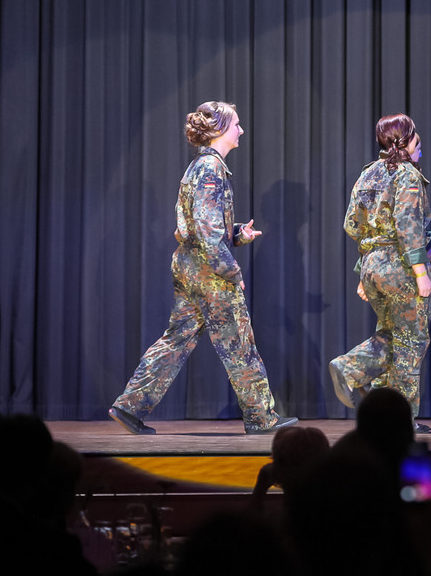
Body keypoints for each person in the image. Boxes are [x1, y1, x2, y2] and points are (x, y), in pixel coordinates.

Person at [109, 101, 297, 435]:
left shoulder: (200, 167)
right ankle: (261, 418)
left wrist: (237, 233)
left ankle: (129, 405)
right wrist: (232, 270)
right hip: (208, 272)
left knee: (177, 339)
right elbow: (209, 235)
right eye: (236, 124)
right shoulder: (211, 170)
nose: (241, 130)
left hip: (190, 266)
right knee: (238, 343)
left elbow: (202, 227)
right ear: (220, 129)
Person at [330, 114, 431, 432]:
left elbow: (352, 224)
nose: (420, 147)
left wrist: (367, 268)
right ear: (406, 141)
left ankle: (385, 415)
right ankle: (354, 371)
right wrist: (421, 273)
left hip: (373, 266)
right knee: (411, 342)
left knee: (392, 335)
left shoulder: (369, 173)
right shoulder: (408, 174)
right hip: (400, 267)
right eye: (417, 140)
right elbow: (408, 226)